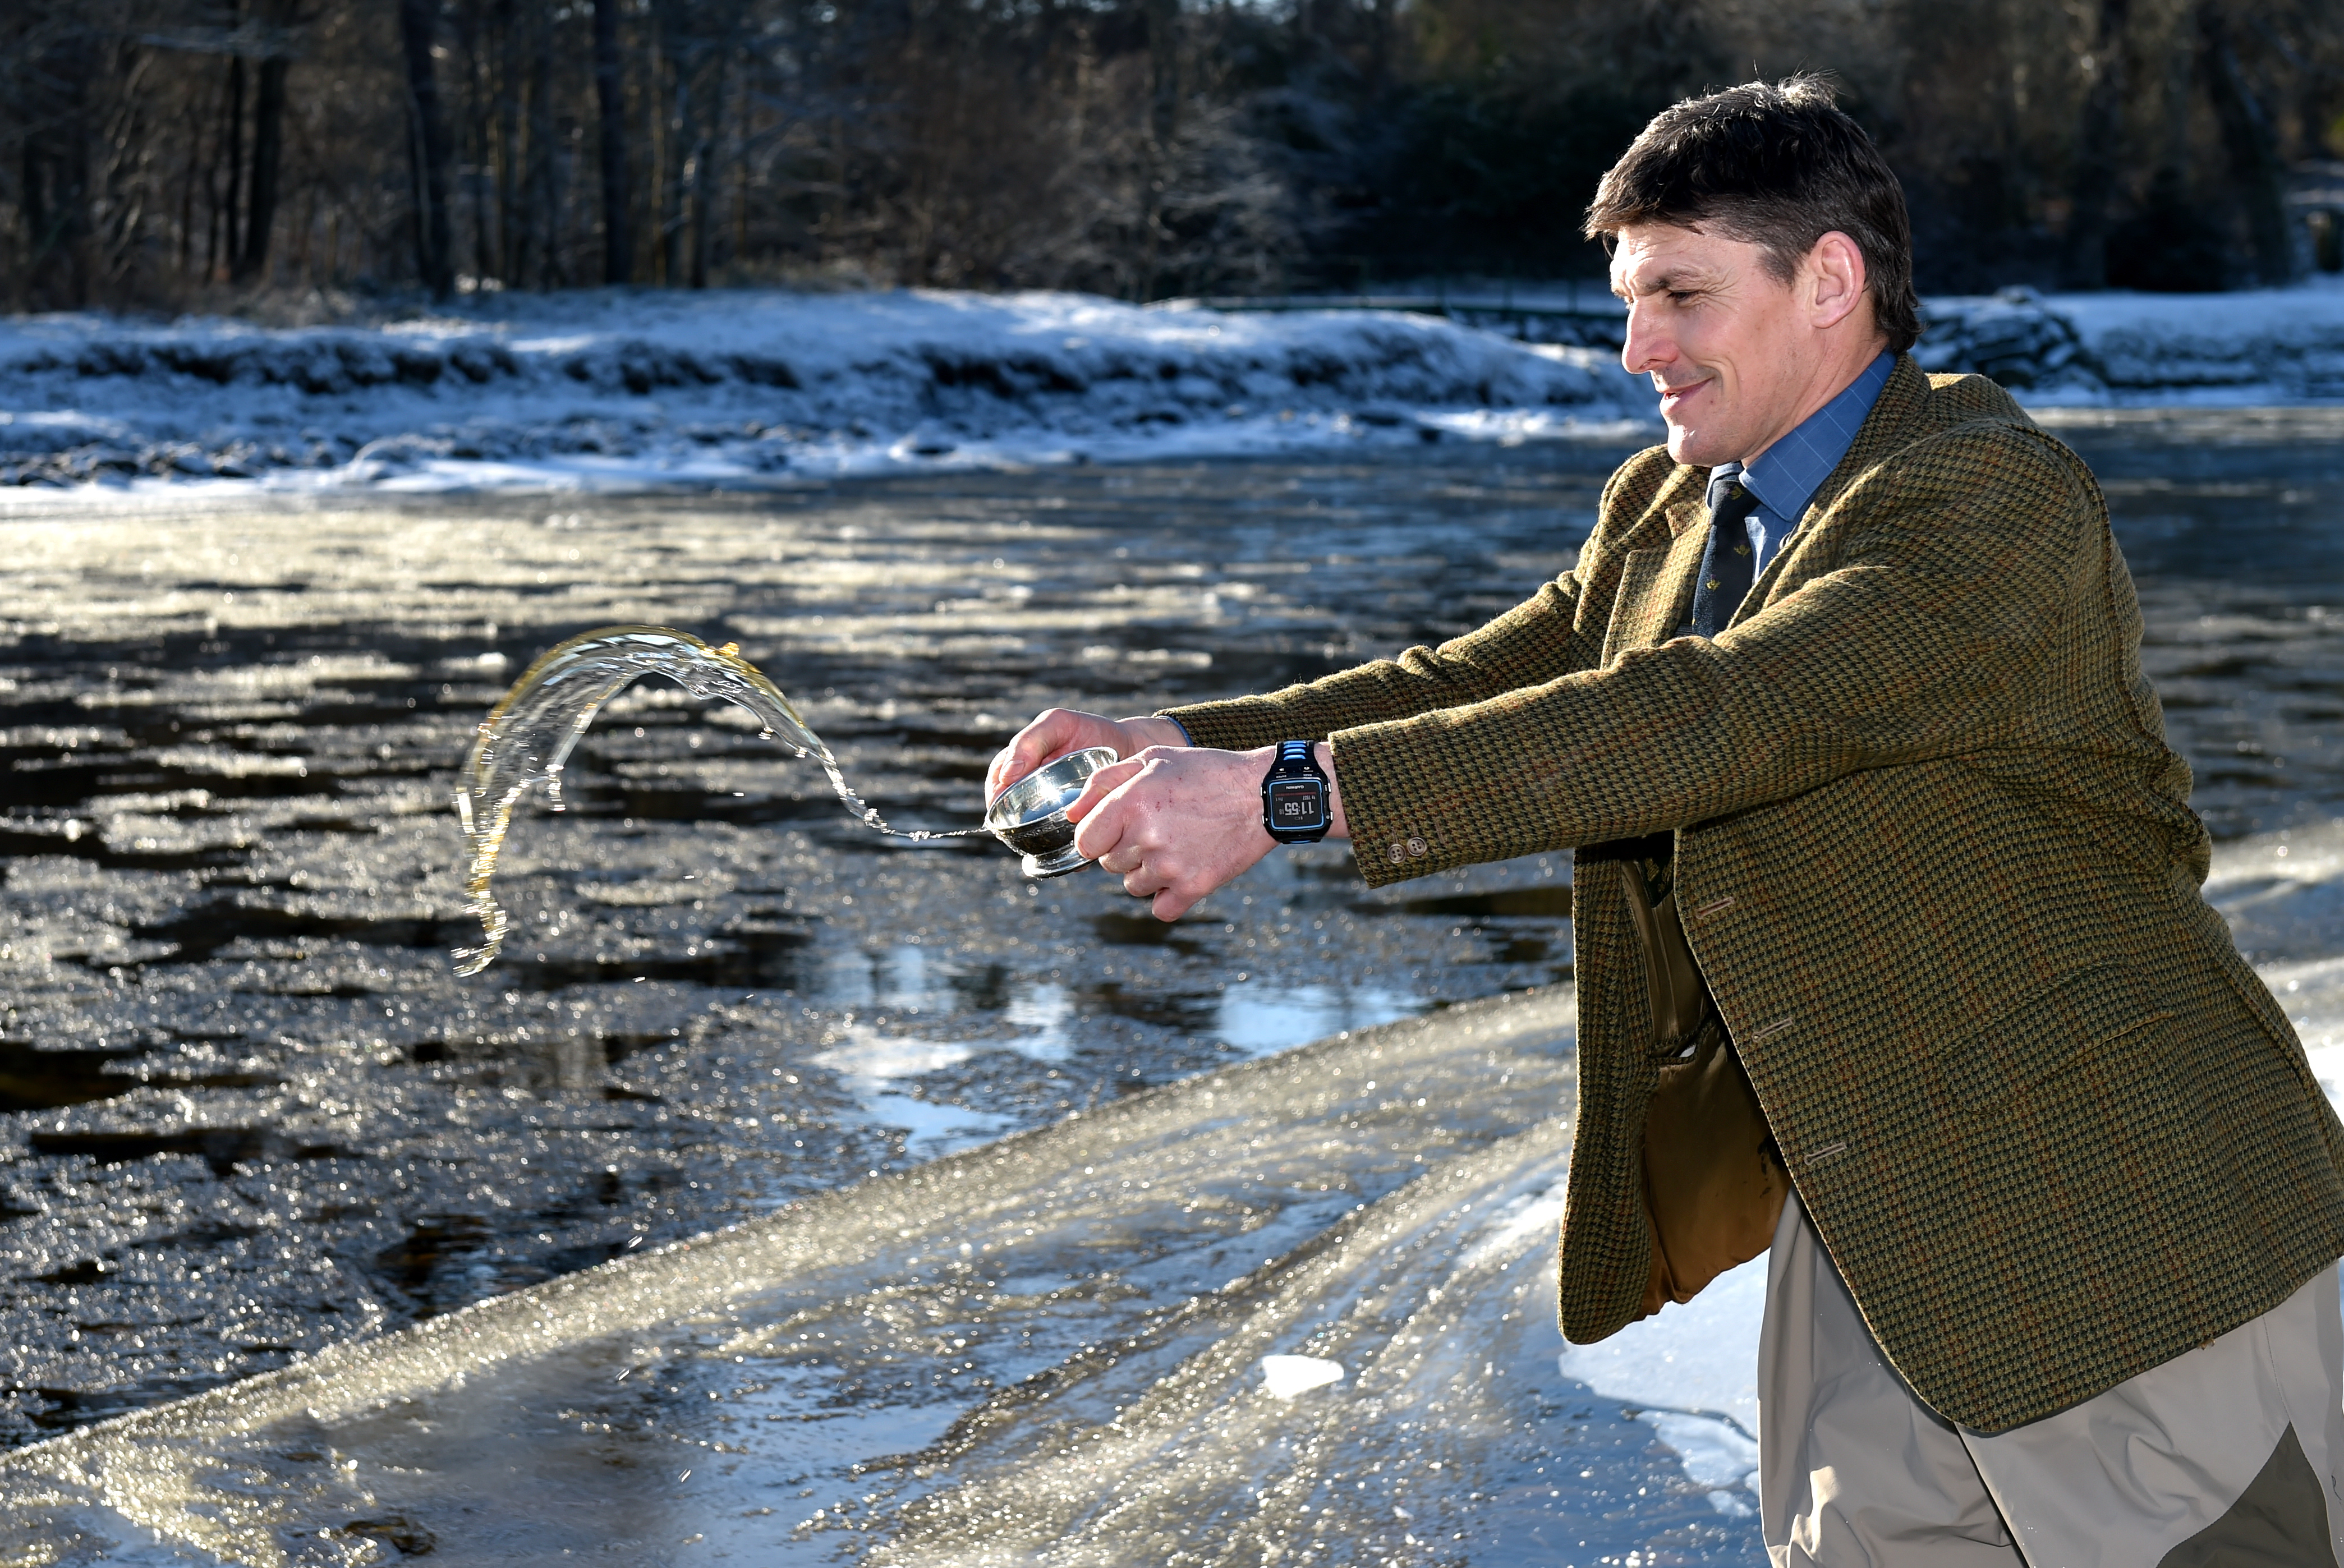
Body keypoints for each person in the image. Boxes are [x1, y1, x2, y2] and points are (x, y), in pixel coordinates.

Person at [985, 76, 2344, 1567]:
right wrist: (1184, 740)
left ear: (1829, 281)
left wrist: (1285, 796)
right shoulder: (1672, 506)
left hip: (2129, 1225)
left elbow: (1722, 711)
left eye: (1680, 296)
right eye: (1628, 303)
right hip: (1865, 1235)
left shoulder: (1980, 494)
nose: (1637, 350)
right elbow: (1487, 675)